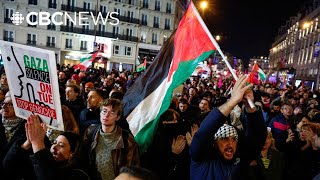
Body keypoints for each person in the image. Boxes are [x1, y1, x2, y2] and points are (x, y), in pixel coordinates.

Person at [189, 75, 267, 180]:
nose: (230, 143)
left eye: (234, 139)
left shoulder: (241, 159)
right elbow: (203, 134)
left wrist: (249, 106)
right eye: (224, 139)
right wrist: (232, 101)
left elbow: (258, 137)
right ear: (215, 142)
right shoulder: (201, 157)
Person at [3, 114, 88, 180]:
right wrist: (27, 144)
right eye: (54, 142)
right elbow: (7, 167)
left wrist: (37, 143)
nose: (54, 147)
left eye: (61, 145)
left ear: (72, 153)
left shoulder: (78, 174)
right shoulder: (41, 161)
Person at [81, 98, 140, 180]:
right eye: (104, 111)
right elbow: (84, 158)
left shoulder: (126, 138)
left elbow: (133, 168)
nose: (106, 115)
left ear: (118, 117)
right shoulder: (91, 131)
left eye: (112, 112)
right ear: (100, 113)